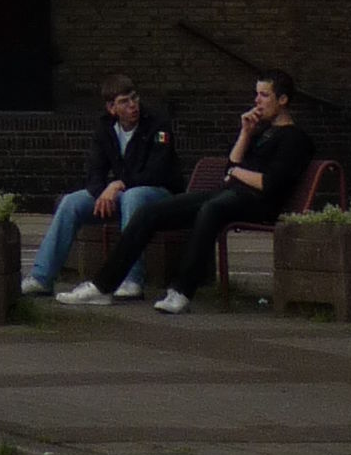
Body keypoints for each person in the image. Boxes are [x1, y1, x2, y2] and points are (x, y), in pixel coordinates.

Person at [60, 69, 315, 313]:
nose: (257, 100)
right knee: (149, 213)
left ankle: (181, 291)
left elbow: (269, 183)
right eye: (256, 94)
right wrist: (245, 133)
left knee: (210, 209)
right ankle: (103, 286)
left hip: (259, 203)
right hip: (231, 196)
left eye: (264, 95)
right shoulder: (261, 132)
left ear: (283, 100)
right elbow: (231, 164)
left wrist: (235, 173)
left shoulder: (295, 139)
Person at [21, 75, 183, 298]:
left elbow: (158, 171)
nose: (133, 105)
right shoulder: (104, 129)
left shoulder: (158, 124)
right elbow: (95, 173)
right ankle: (41, 278)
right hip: (123, 194)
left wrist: (118, 185)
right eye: (125, 101)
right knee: (71, 202)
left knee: (132, 197)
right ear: (111, 108)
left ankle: (131, 280)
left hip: (161, 195)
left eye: (134, 98)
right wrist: (102, 194)